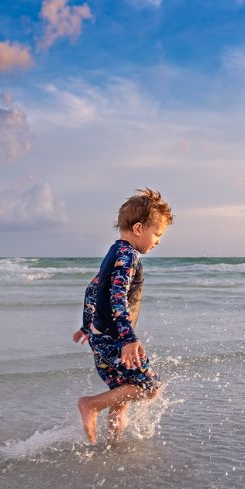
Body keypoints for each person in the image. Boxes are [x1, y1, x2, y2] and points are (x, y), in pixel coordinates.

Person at [74, 188, 174, 444]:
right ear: (139, 229)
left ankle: (113, 445)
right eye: (157, 234)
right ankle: (92, 405)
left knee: (121, 393)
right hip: (115, 338)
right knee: (150, 387)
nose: (158, 241)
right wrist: (128, 338)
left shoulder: (114, 252)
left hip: (101, 337)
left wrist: (88, 326)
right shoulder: (128, 256)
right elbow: (116, 295)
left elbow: (94, 288)